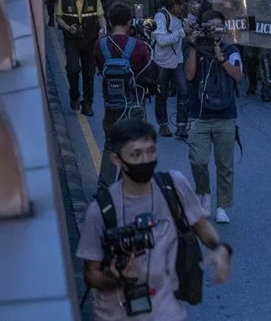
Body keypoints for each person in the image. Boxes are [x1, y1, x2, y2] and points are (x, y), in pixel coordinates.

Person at [76, 119, 232, 321]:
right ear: (116, 160)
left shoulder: (174, 185)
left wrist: (219, 248)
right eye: (136, 154)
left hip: (167, 313)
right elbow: (91, 274)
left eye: (151, 151)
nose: (145, 160)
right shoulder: (101, 210)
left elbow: (201, 226)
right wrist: (117, 278)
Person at [185, 10, 243, 224]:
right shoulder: (196, 47)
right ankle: (204, 195)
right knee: (198, 161)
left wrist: (222, 59)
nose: (214, 30)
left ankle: (222, 206)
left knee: (224, 164)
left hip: (225, 116)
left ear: (224, 28)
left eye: (218, 26)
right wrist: (192, 47)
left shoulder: (231, 49)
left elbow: (238, 76)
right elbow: (189, 75)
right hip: (198, 115)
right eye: (210, 26)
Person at [94, 2, 153, 194]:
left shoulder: (99, 44)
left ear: (110, 22)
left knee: (111, 145)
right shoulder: (140, 46)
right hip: (135, 103)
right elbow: (147, 72)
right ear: (129, 22)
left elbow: (99, 67)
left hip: (111, 104)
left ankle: (104, 188)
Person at [58, 0, 106, 116]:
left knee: (89, 73)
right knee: (73, 69)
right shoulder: (64, 0)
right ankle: (74, 96)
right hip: (72, 41)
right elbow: (59, 18)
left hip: (89, 40)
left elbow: (100, 16)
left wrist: (103, 27)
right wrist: (68, 28)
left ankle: (88, 103)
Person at [152, 0, 193, 139]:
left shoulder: (179, 15)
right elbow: (161, 41)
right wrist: (182, 32)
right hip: (162, 61)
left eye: (183, 4)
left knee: (183, 90)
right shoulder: (161, 17)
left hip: (177, 60)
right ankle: (163, 124)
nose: (181, 7)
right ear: (171, 3)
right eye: (179, 4)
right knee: (161, 94)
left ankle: (181, 125)